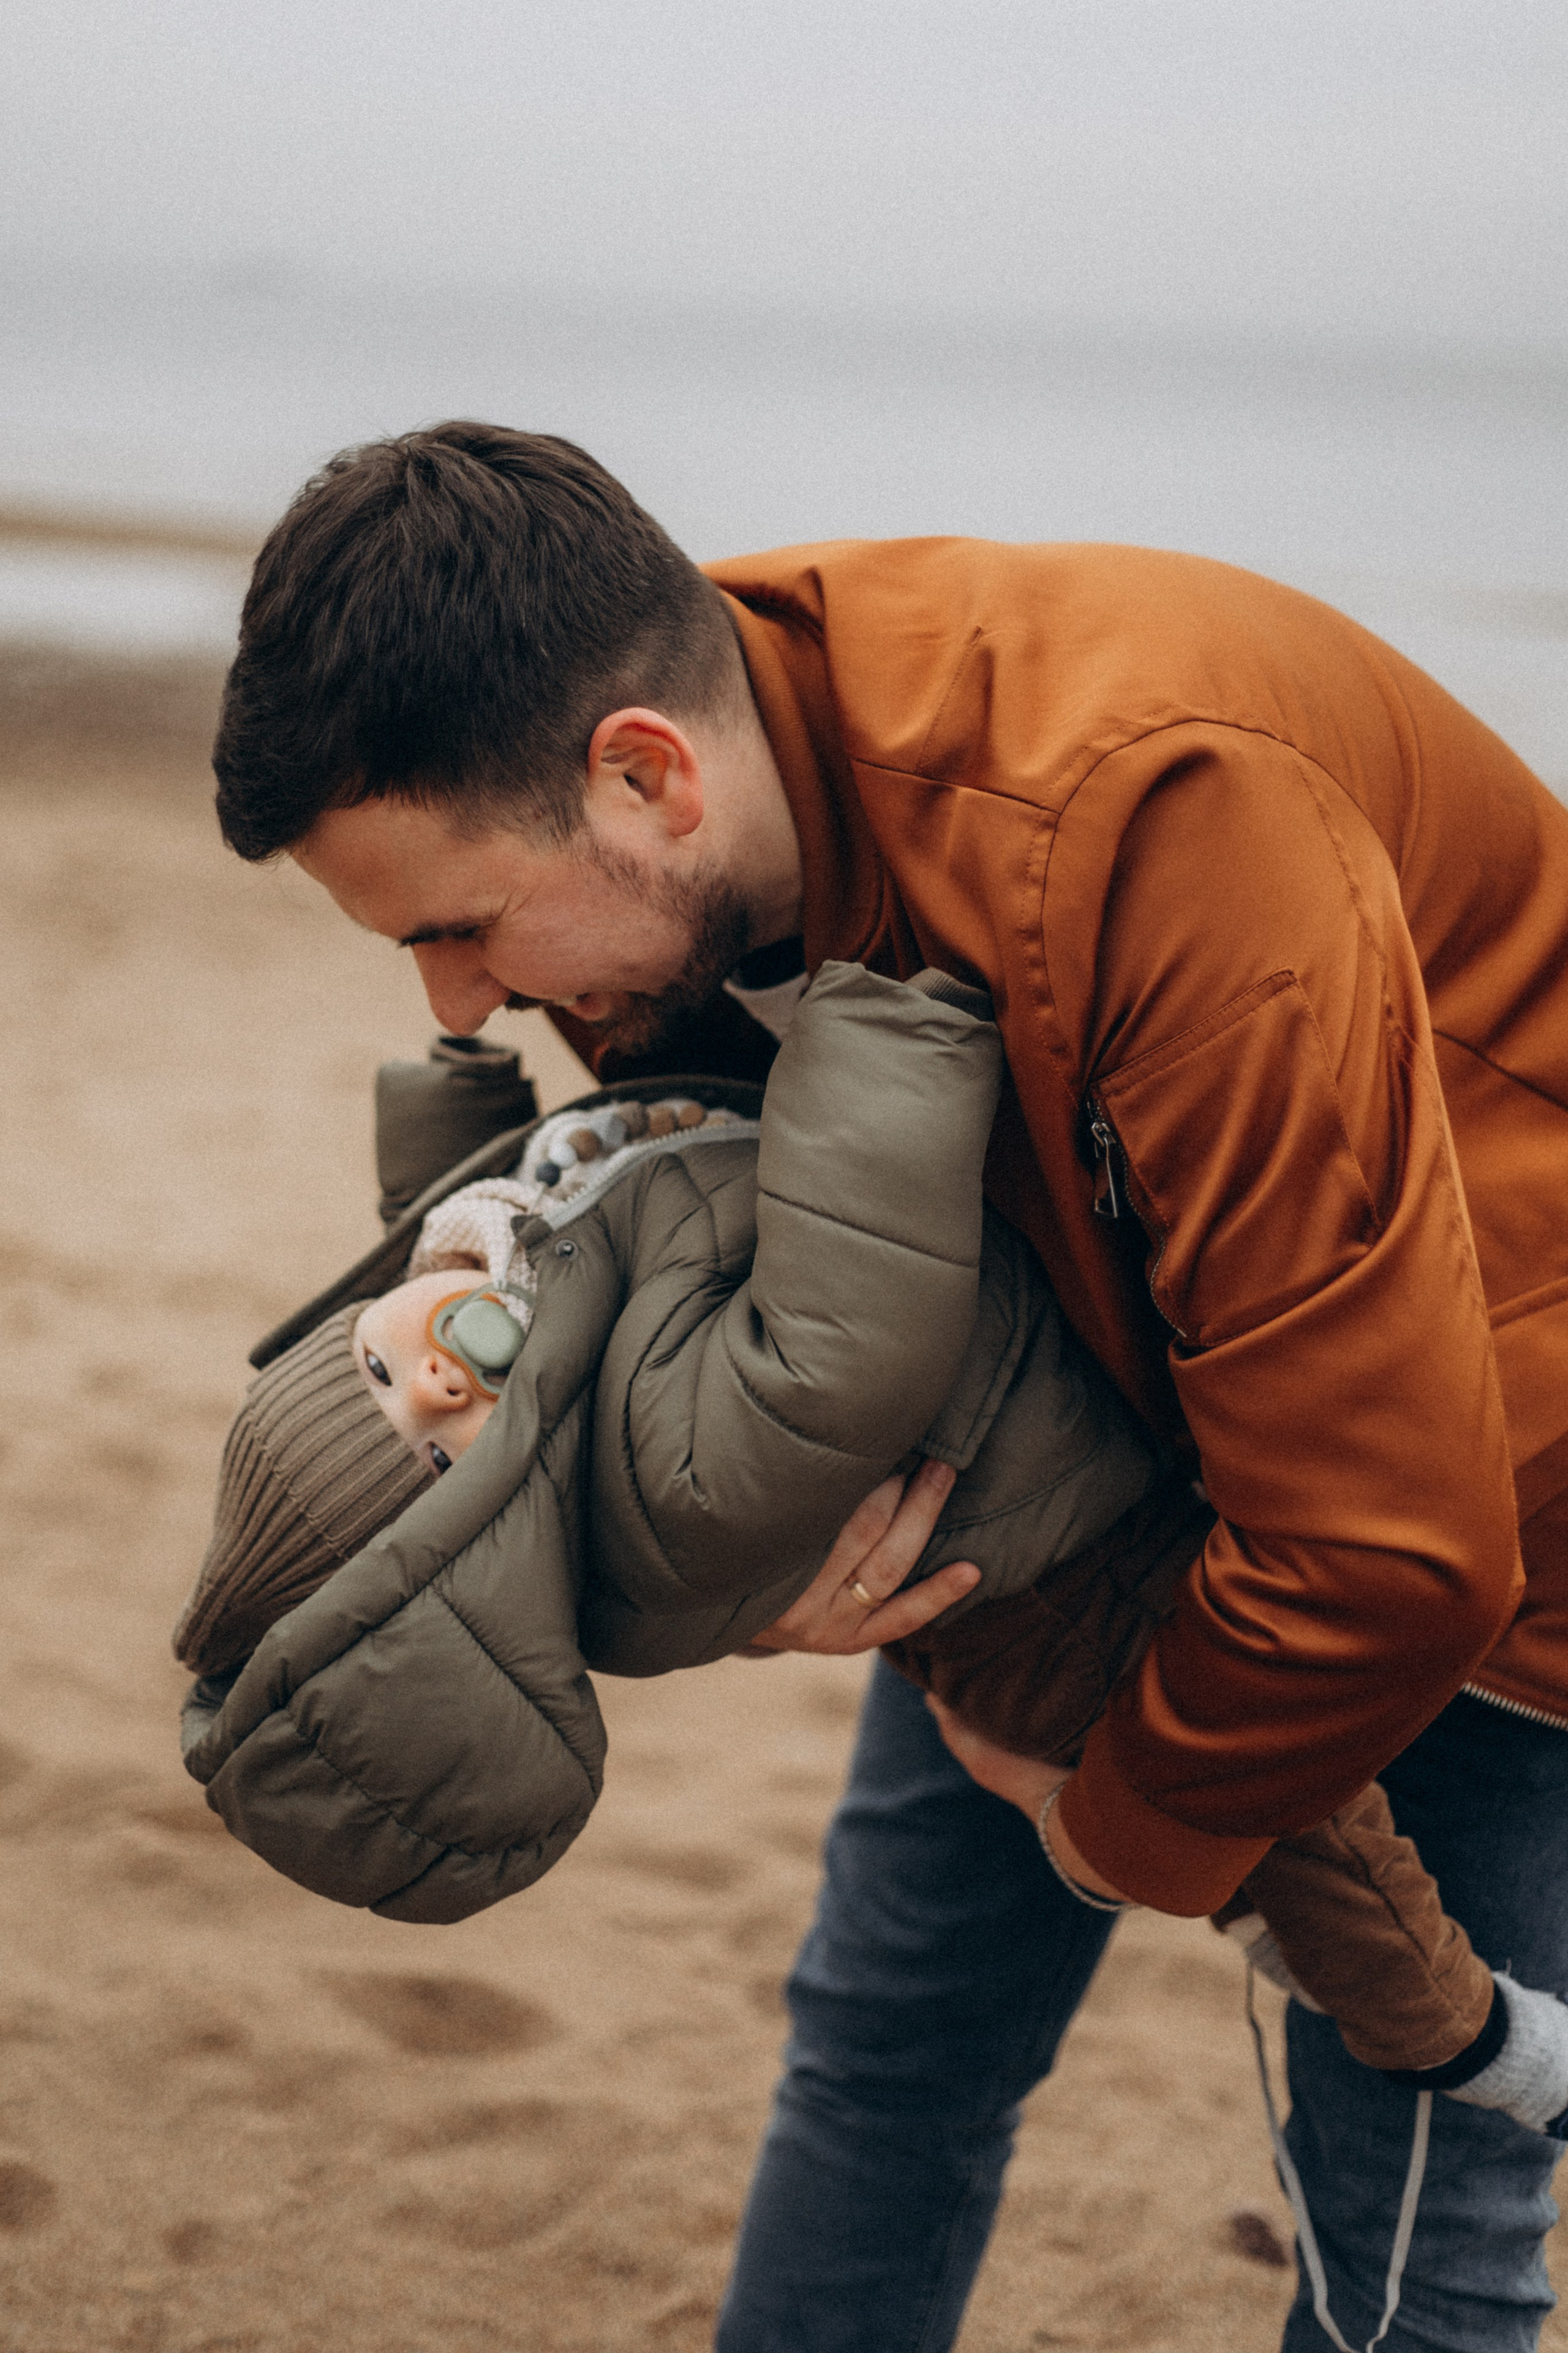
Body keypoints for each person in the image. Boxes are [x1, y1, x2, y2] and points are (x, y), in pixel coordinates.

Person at [208, 420, 1568, 2349]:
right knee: (884, 2054)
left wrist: (1112, 1817)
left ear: (646, 774)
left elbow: (1395, 1550)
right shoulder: (678, 828)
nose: (454, 1002)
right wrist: (777, 1568)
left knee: (1414, 2210)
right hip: (1053, 1464)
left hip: (1491, 1483)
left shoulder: (1160, 819)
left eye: (459, 925)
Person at [175, 961, 1568, 2150]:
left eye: (377, 1366)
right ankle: (1468, 2040)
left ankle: (1270, 1928)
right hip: (1065, 1584)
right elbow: (849, 1326)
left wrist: (456, 1094)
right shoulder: (663, 1461)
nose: (438, 1364)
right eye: (446, 1445)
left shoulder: (499, 1280)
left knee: (1220, 1872)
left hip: (991, 1527)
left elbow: (486, 1217)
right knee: (1294, 1792)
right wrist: (885, 1042)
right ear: (499, 1533)